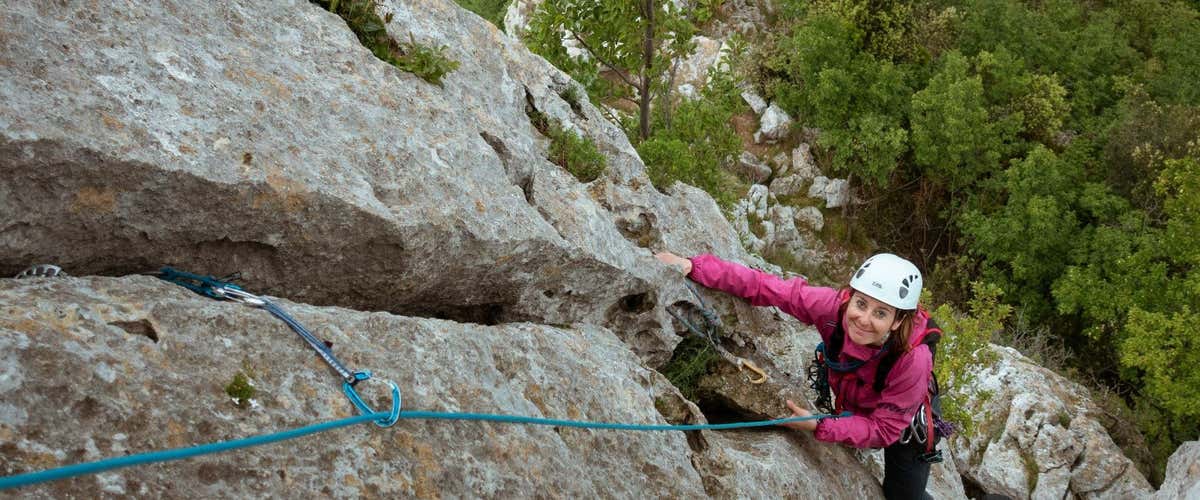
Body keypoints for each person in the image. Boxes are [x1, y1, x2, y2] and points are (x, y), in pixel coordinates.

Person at [656, 251, 938, 500]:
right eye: (861, 304)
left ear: (898, 320)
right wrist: (694, 266)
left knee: (903, 495)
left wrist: (821, 426)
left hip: (902, 418)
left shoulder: (912, 359)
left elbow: (884, 429)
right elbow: (767, 287)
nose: (864, 319)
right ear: (849, 297)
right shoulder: (831, 308)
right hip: (855, 399)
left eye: (880, 312)